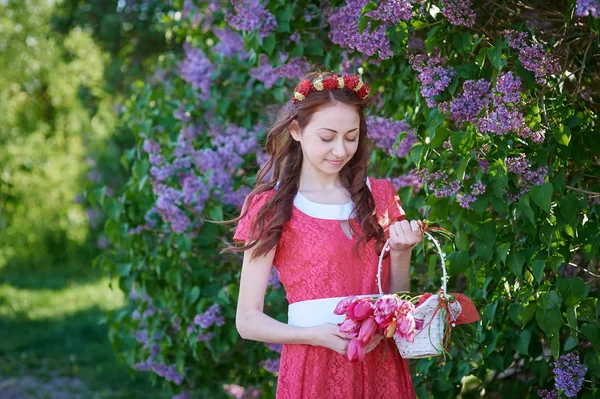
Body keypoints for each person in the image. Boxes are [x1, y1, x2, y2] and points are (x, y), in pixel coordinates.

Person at [223, 70, 423, 398]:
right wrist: (315, 335)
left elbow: (396, 304)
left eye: (351, 136)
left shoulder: (381, 196)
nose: (340, 150)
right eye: (327, 137)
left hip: (379, 366)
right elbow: (247, 320)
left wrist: (402, 253)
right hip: (312, 365)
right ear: (296, 131)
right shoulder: (271, 207)